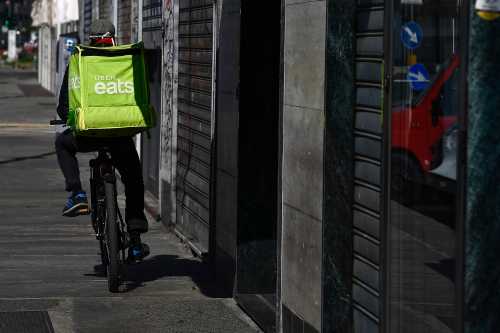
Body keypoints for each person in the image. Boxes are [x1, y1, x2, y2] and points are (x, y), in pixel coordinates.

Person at [55, 20, 149, 262]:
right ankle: (136, 239)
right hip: (120, 137)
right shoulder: (126, 59)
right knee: (133, 178)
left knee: (62, 143)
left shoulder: (81, 59)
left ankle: (77, 194)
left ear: (91, 37)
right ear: (113, 36)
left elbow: (64, 106)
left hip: (89, 136)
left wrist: (69, 116)